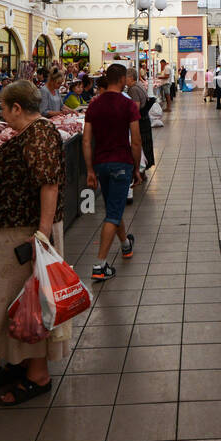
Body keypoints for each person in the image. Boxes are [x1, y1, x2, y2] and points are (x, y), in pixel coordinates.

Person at [0, 80, 70, 406]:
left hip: (23, 236)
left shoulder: (39, 133)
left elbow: (49, 183)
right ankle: (21, 362)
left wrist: (42, 233)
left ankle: (37, 374)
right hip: (10, 234)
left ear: (16, 108)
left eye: (2, 107)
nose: (0, 114)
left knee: (30, 307)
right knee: (14, 305)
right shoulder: (29, 134)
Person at [83, 63, 142, 282]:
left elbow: (87, 140)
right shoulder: (128, 105)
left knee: (113, 208)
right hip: (121, 163)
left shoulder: (94, 105)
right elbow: (135, 141)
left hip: (100, 164)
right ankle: (99, 265)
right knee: (113, 214)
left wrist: (89, 169)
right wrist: (137, 168)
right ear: (122, 80)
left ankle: (126, 245)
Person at [126, 66, 154, 168]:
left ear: (131, 77)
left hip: (140, 120)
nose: (124, 80)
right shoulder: (139, 85)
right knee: (146, 145)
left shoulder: (133, 89)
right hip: (145, 118)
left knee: (142, 146)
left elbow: (136, 107)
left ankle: (141, 172)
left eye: (126, 78)